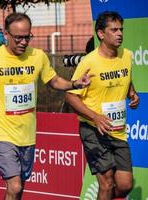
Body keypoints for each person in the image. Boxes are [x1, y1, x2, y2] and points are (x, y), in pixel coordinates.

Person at [0, 13, 93, 200]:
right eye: (18, 37)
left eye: (27, 37)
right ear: (5, 34)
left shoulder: (38, 57)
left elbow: (54, 81)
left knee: (19, 188)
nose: (23, 42)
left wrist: (75, 83)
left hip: (27, 134)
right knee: (15, 185)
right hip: (1, 133)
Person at [65, 11, 139, 200]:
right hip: (93, 129)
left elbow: (126, 78)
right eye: (114, 30)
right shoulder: (89, 62)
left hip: (118, 130)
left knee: (125, 185)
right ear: (101, 34)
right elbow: (71, 97)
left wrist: (132, 93)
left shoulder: (127, 56)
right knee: (106, 183)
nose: (120, 33)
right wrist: (95, 117)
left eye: (121, 29)